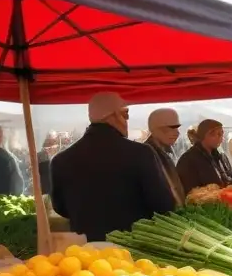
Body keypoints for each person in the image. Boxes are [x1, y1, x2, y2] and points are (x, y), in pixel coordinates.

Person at [50, 92, 175, 241]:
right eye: (126, 114)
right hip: (132, 249)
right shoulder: (140, 153)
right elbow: (164, 204)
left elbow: (61, 208)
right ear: (114, 115)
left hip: (85, 254)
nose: (127, 120)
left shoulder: (60, 161)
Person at [176, 119, 232, 194]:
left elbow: (230, 179)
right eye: (218, 134)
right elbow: (189, 191)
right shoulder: (188, 160)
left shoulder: (221, 157)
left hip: (226, 202)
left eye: (222, 134)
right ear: (204, 135)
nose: (221, 138)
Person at [145, 108, 186, 207]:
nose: (177, 133)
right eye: (171, 127)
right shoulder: (147, 155)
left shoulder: (163, 153)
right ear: (155, 128)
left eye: (177, 128)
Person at [0, 124, 23, 196]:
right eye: (0, 136)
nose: (2, 139)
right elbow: (17, 184)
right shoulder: (6, 157)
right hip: (0, 201)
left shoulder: (6, 156)